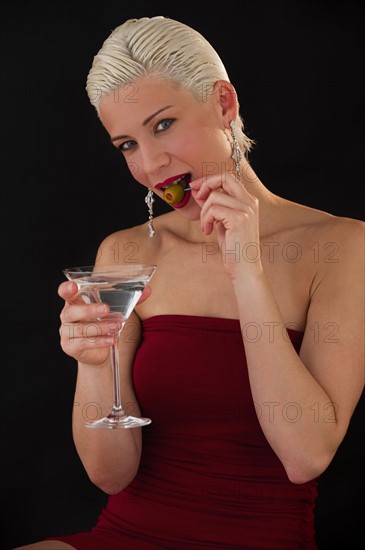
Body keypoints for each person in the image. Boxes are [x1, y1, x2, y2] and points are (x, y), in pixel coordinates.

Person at [14, 15, 364, 550]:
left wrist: (247, 270)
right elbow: (111, 476)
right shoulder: (127, 252)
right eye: (126, 145)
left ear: (224, 104)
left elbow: (306, 456)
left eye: (162, 125)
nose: (151, 164)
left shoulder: (343, 247)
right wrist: (93, 365)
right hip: (128, 534)